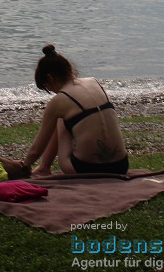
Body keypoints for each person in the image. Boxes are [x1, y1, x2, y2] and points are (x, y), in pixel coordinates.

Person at [17, 44, 129, 176]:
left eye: (48, 88)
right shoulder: (94, 82)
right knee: (74, 116)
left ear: (50, 79)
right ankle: (43, 167)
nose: (52, 92)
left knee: (60, 117)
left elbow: (36, 150)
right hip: (121, 166)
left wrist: (24, 166)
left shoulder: (60, 100)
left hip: (84, 170)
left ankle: (44, 167)